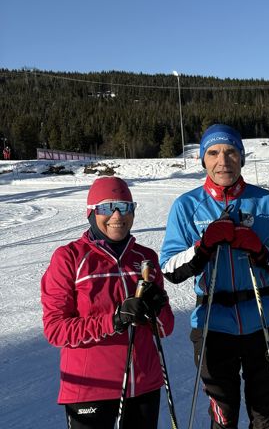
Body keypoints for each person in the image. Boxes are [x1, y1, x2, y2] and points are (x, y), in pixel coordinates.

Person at [160, 124, 269, 429]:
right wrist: (204, 245)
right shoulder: (187, 205)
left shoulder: (266, 202)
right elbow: (170, 267)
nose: (222, 160)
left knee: (263, 413)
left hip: (262, 320)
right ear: (203, 160)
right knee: (223, 415)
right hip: (213, 323)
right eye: (213, 153)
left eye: (230, 152)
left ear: (241, 157)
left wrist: (260, 251)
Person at [41, 176, 174, 429]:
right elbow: (56, 330)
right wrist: (114, 319)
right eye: (106, 207)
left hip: (144, 385)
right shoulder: (69, 258)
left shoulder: (145, 258)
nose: (116, 215)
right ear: (90, 212)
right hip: (92, 388)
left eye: (124, 207)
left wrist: (157, 309)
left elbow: (166, 328)